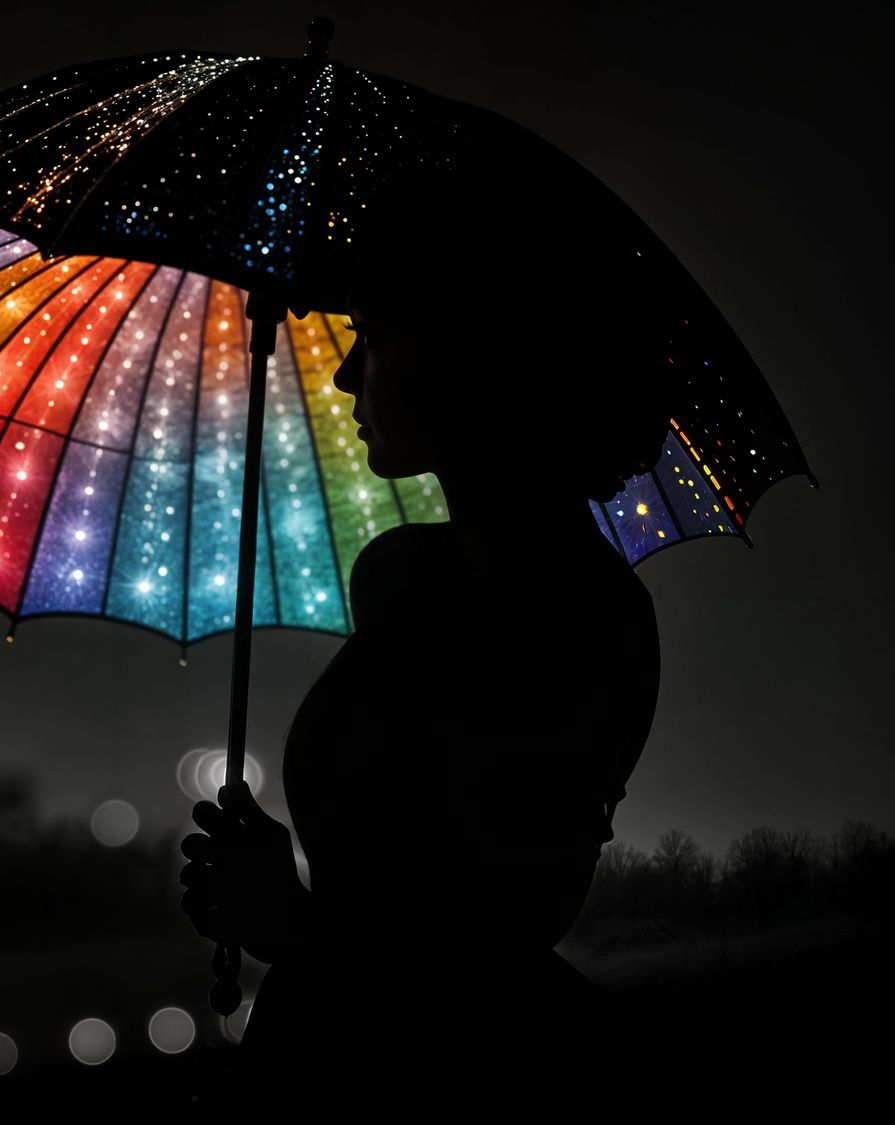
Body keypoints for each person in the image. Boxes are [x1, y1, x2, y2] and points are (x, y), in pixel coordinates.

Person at [179, 171, 670, 1108]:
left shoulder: (589, 614)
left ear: (471, 352)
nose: (344, 374)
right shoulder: (397, 573)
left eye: (374, 335)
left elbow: (498, 952)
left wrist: (296, 925)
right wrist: (271, 896)